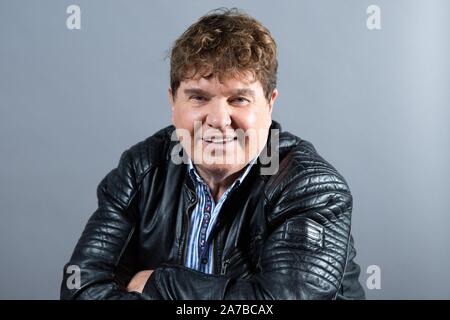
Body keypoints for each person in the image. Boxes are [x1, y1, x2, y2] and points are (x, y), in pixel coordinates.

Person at [61, 8, 365, 300]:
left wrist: (159, 283)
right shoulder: (141, 169)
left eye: (239, 99)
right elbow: (81, 286)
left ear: (270, 104)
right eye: (198, 97)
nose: (219, 119)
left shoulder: (312, 188)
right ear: (173, 102)